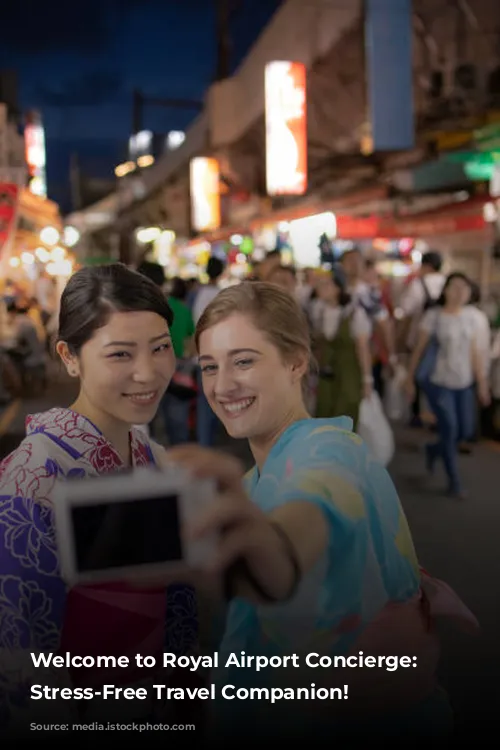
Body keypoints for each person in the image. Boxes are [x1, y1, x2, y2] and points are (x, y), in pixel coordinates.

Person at [165, 282, 473, 741]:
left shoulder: (330, 451)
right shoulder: (254, 481)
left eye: (244, 360)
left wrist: (276, 554)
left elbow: (308, 513)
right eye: (210, 367)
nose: (222, 385)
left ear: (296, 362)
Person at [0, 264, 198, 739]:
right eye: (120, 354)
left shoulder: (155, 457)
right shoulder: (32, 478)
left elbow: (178, 606)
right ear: (69, 356)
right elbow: (23, 656)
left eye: (159, 347)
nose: (147, 373)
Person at [405, 272, 490, 498]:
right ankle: (455, 482)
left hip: (464, 383)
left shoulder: (472, 317)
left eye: (465, 287)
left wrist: (482, 383)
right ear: (445, 290)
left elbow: (475, 353)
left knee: (464, 431)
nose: (460, 291)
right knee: (450, 428)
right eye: (455, 286)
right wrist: (409, 379)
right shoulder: (434, 316)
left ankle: (433, 450)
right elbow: (419, 350)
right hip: (439, 382)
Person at [312, 270, 372, 428]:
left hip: (349, 372)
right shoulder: (319, 310)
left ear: (338, 288)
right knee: (325, 411)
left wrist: (367, 379)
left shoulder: (354, 313)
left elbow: (362, 348)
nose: (321, 288)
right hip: (326, 372)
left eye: (326, 284)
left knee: (346, 411)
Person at [398, 251, 446, 427]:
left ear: (426, 266)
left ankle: (417, 414)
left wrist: (400, 338)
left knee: (416, 375)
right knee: (438, 378)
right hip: (443, 341)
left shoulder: (418, 284)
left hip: (419, 338)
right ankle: (437, 414)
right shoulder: (446, 283)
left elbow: (405, 310)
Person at [193, 257, 226, 447]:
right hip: (220, 354)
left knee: (204, 402)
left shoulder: (197, 294)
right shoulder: (222, 295)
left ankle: (205, 443)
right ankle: (209, 443)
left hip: (201, 353)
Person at [162, 277, 196, 445]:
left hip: (161, 360)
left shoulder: (162, 309)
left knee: (161, 402)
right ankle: (179, 445)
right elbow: (191, 337)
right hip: (181, 363)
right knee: (179, 406)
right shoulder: (185, 311)